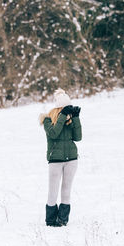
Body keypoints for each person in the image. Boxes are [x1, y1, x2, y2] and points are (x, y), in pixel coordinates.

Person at [39, 89, 82, 227]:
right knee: (53, 191)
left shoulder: (69, 120)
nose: (67, 112)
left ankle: (63, 220)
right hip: (55, 160)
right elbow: (54, 134)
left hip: (72, 159)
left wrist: (75, 118)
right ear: (58, 109)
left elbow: (78, 137)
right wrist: (63, 116)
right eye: (64, 109)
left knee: (66, 190)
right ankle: (50, 221)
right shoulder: (47, 120)